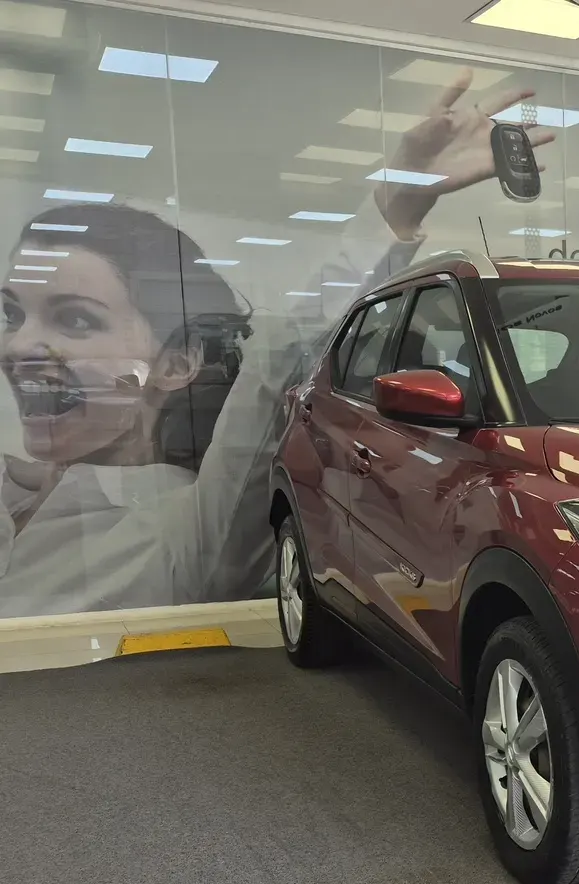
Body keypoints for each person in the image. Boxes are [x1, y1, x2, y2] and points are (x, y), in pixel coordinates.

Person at [0, 73, 551, 617]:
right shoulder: (25, 491)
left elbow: (282, 358)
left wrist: (396, 204)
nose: (21, 345)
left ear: (177, 362)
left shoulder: (180, 535)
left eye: (75, 320)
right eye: (11, 313)